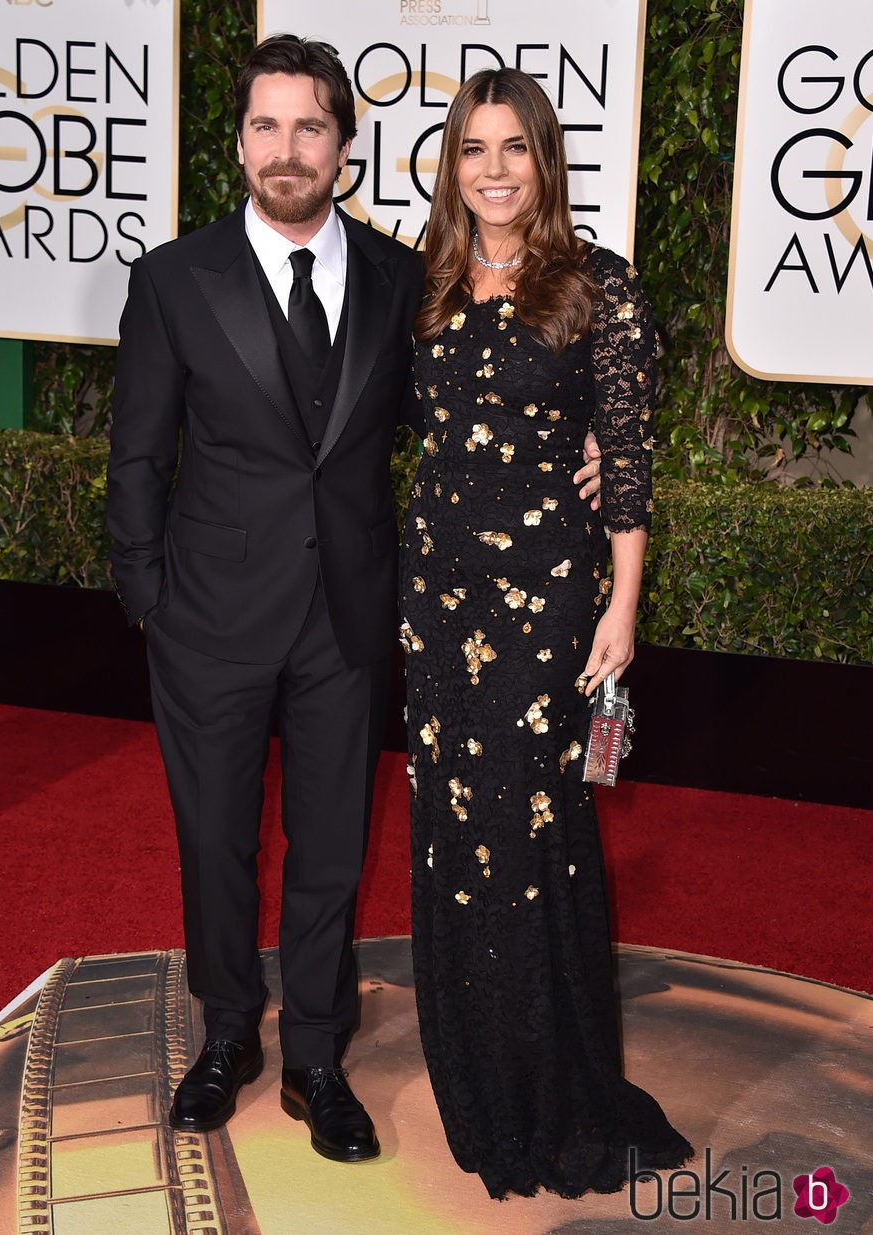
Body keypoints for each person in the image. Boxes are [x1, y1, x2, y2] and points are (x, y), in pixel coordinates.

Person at [105, 34, 426, 1163]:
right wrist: (150, 596)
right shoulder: (172, 277)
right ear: (238, 140)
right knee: (215, 841)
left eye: (309, 126)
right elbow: (137, 453)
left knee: (332, 844)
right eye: (264, 126)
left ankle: (318, 1054)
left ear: (344, 141)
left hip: (345, 616)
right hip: (208, 616)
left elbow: (440, 433)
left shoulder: (398, 279)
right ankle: (227, 1029)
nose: (285, 150)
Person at [400, 67, 694, 1199]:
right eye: (473, 149)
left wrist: (621, 607)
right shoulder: (421, 285)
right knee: (449, 826)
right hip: (435, 600)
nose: (492, 170)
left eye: (513, 147)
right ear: (451, 164)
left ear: (544, 160)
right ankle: (476, 1082)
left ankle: (550, 1088)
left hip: (547, 603)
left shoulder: (596, 287)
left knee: (528, 826)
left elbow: (624, 459)